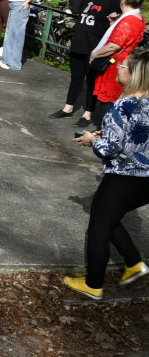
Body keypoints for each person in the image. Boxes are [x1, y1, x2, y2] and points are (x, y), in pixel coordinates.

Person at [66, 49, 149, 299]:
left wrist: (92, 140)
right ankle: (133, 263)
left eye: (122, 65)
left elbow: (110, 149)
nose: (117, 67)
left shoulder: (123, 105)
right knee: (109, 218)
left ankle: (93, 285)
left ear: (132, 74)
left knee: (98, 230)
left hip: (125, 177)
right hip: (145, 179)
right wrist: (109, 135)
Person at [49, 0, 121, 125]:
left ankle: (88, 113)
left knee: (91, 82)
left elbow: (116, 25)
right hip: (78, 44)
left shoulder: (114, 0)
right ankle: (68, 108)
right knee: (76, 78)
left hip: (94, 48)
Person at [86, 0, 147, 127]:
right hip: (127, 59)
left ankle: (105, 130)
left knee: (107, 99)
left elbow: (115, 45)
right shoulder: (139, 17)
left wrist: (95, 54)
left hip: (116, 63)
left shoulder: (128, 20)